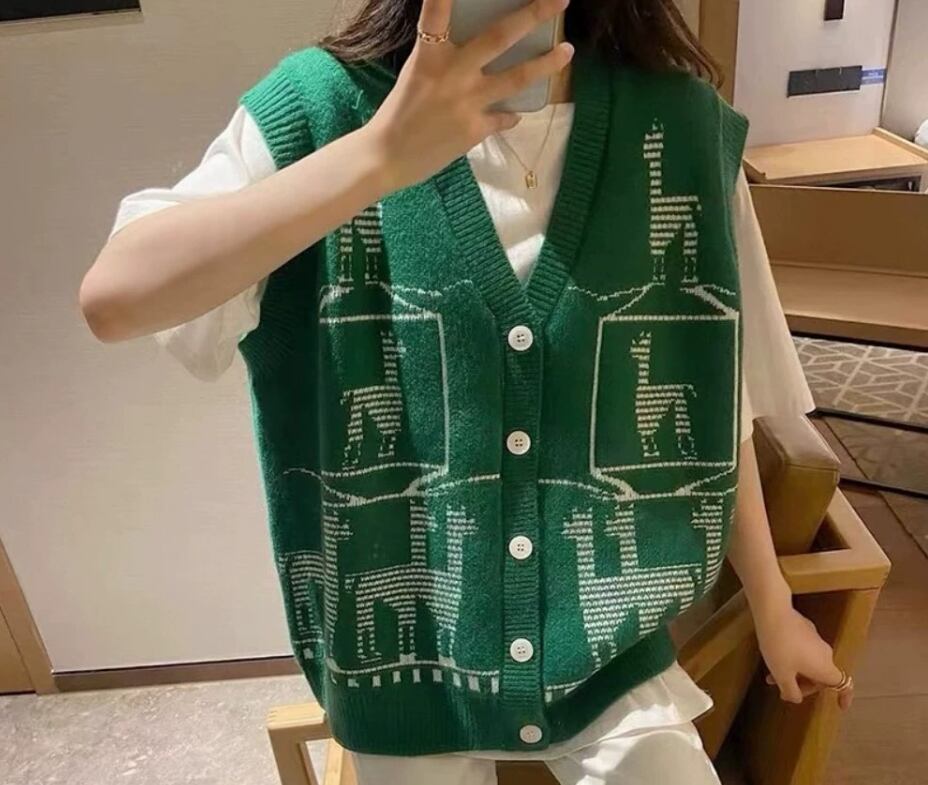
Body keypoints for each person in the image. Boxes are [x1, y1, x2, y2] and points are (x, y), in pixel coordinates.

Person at [79, 1, 855, 782]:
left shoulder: (679, 130)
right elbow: (115, 298)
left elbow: (715, 397)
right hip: (398, 673)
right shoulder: (319, 109)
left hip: (608, 664)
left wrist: (774, 604)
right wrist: (378, 156)